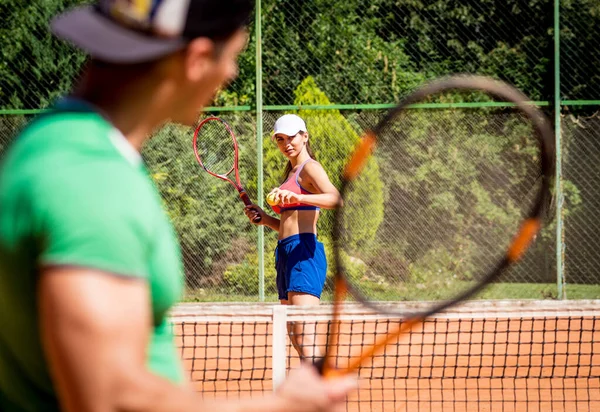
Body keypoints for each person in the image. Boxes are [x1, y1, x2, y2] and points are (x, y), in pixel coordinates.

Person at [0, 1, 354, 411]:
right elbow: (110, 398)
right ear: (197, 58)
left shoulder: (49, 142)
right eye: (233, 57)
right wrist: (282, 405)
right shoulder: (90, 180)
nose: (231, 74)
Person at [244, 114, 342, 361]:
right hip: (286, 252)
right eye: (280, 139)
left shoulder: (310, 168)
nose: (286, 143)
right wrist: (266, 219)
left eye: (292, 137)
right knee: (294, 333)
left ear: (305, 136)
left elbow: (336, 199)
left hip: (303, 252)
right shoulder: (290, 173)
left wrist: (300, 198)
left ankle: (321, 391)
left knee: (304, 333)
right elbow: (289, 223)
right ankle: (314, 390)